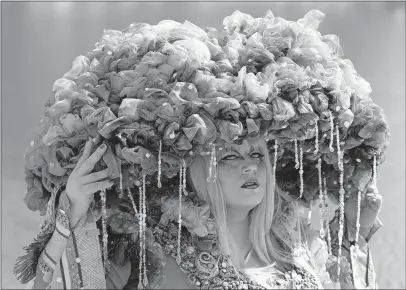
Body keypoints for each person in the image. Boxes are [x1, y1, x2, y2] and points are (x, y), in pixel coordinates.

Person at [14, 8, 388, 290]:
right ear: (193, 167)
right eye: (229, 156)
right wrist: (73, 210)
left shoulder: (295, 238)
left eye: (257, 154)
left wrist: (355, 234)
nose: (249, 167)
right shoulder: (149, 248)